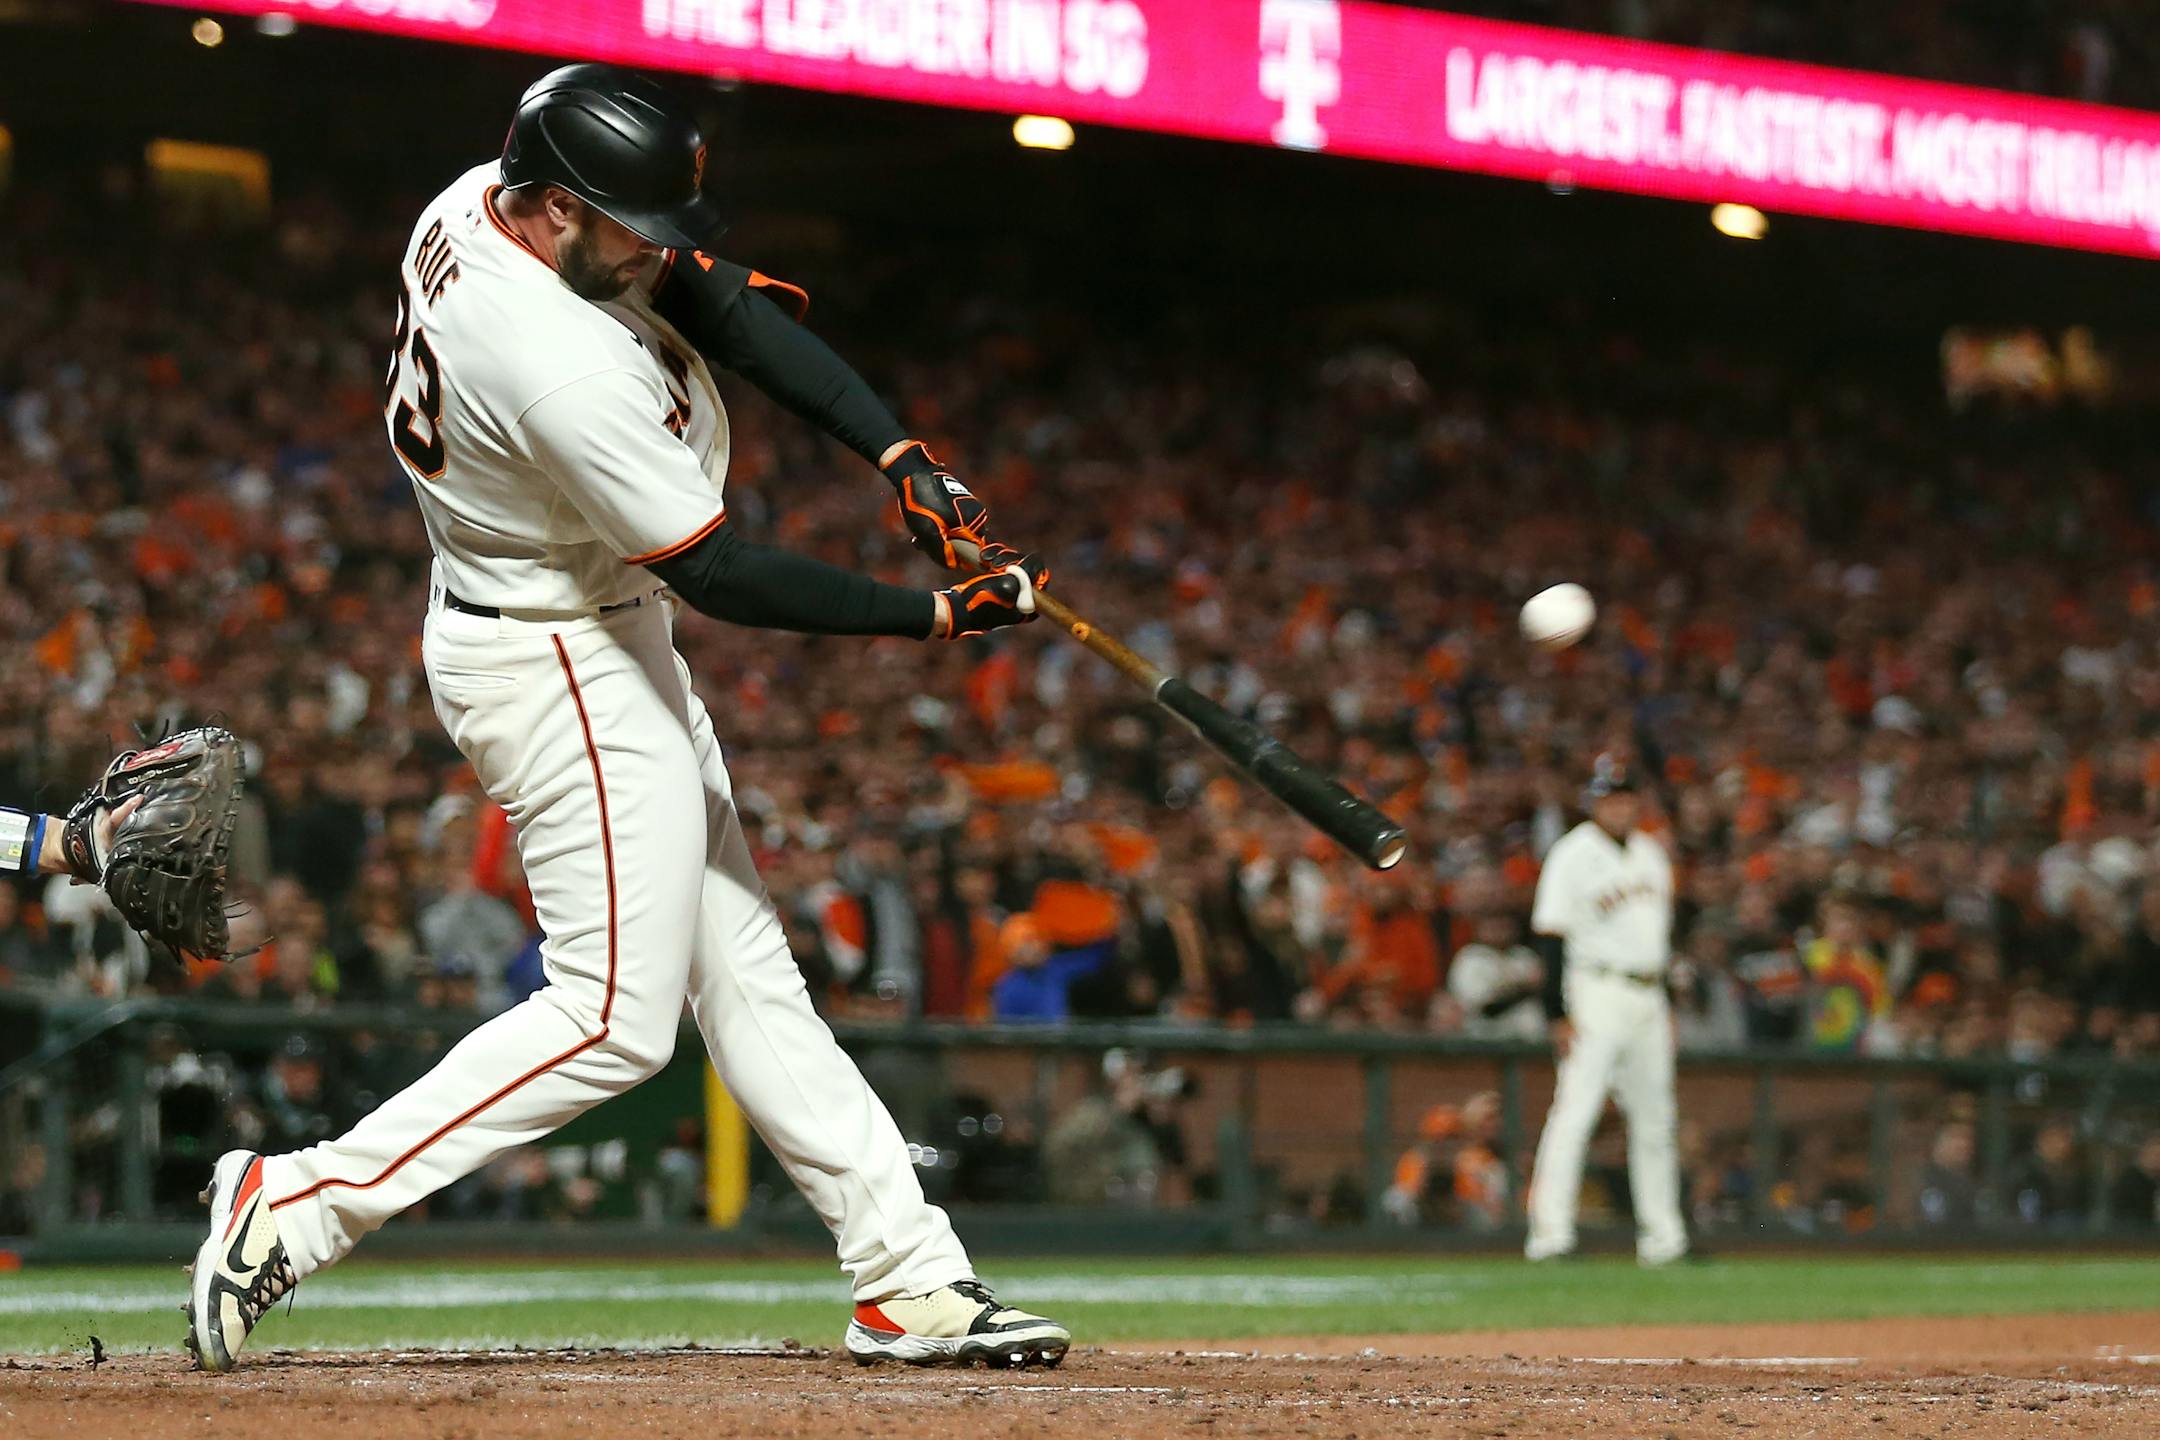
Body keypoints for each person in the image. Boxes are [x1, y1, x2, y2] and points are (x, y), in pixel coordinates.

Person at [184, 64, 1065, 1373]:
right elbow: (716, 572)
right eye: (629, 227)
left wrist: (898, 456)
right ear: (549, 210)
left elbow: (716, 298)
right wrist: (932, 620)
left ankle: (909, 1274)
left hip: (576, 624)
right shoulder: (542, 355)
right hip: (560, 657)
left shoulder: (489, 201)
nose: (660, 248)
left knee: (749, 973)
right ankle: (301, 1203)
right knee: (613, 1021)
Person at [1521, 760, 1689, 1265]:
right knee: (1577, 1109)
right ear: (1594, 801)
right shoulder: (1572, 854)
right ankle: (1550, 1236)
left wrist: (1670, 1006)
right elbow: (1550, 936)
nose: (1620, 804)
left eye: (1627, 795)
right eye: (1610, 796)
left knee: (1656, 1119)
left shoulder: (1652, 855)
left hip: (1649, 994)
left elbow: (1662, 938)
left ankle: (1663, 1240)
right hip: (1595, 988)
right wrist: (1556, 1011)